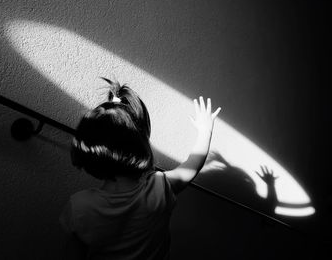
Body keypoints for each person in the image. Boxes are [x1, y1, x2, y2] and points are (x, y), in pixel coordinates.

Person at [59, 78, 221, 259]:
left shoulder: (80, 206)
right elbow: (193, 164)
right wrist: (205, 130)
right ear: (140, 143)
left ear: (90, 149)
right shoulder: (159, 187)